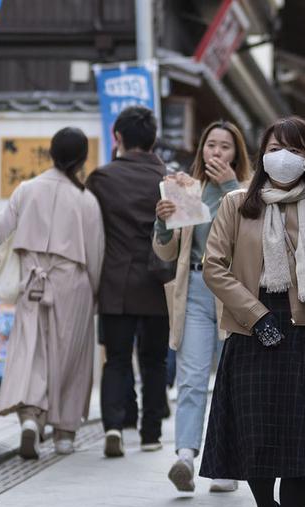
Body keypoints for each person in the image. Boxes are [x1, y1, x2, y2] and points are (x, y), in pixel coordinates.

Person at [199, 116, 305, 507]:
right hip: (250, 329)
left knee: (298, 448)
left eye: (296, 150)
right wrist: (256, 317)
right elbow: (213, 266)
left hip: (303, 332)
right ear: (261, 154)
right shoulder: (238, 204)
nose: (285, 156)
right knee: (256, 440)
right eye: (277, 147)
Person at [153, 120, 252, 494]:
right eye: (211, 145)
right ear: (201, 150)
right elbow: (166, 250)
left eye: (225, 146)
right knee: (191, 376)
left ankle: (226, 464)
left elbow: (253, 231)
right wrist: (162, 223)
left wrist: (230, 185)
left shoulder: (248, 189)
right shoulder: (187, 189)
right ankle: (185, 456)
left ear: (237, 153)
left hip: (233, 290)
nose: (217, 152)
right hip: (193, 286)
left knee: (231, 379)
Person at [0, 127, 104, 457]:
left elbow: (0, 231)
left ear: (51, 153)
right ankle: (64, 433)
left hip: (33, 279)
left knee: (32, 351)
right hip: (74, 283)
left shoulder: (26, 189)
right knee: (71, 354)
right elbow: (96, 252)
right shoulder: (86, 199)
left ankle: (30, 417)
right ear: (83, 158)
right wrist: (95, 294)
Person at [87, 106, 170, 457]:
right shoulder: (170, 179)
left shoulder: (101, 179)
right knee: (154, 361)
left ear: (117, 138)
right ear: (153, 140)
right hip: (158, 282)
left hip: (116, 281)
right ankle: (150, 433)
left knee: (117, 359)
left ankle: (114, 428)